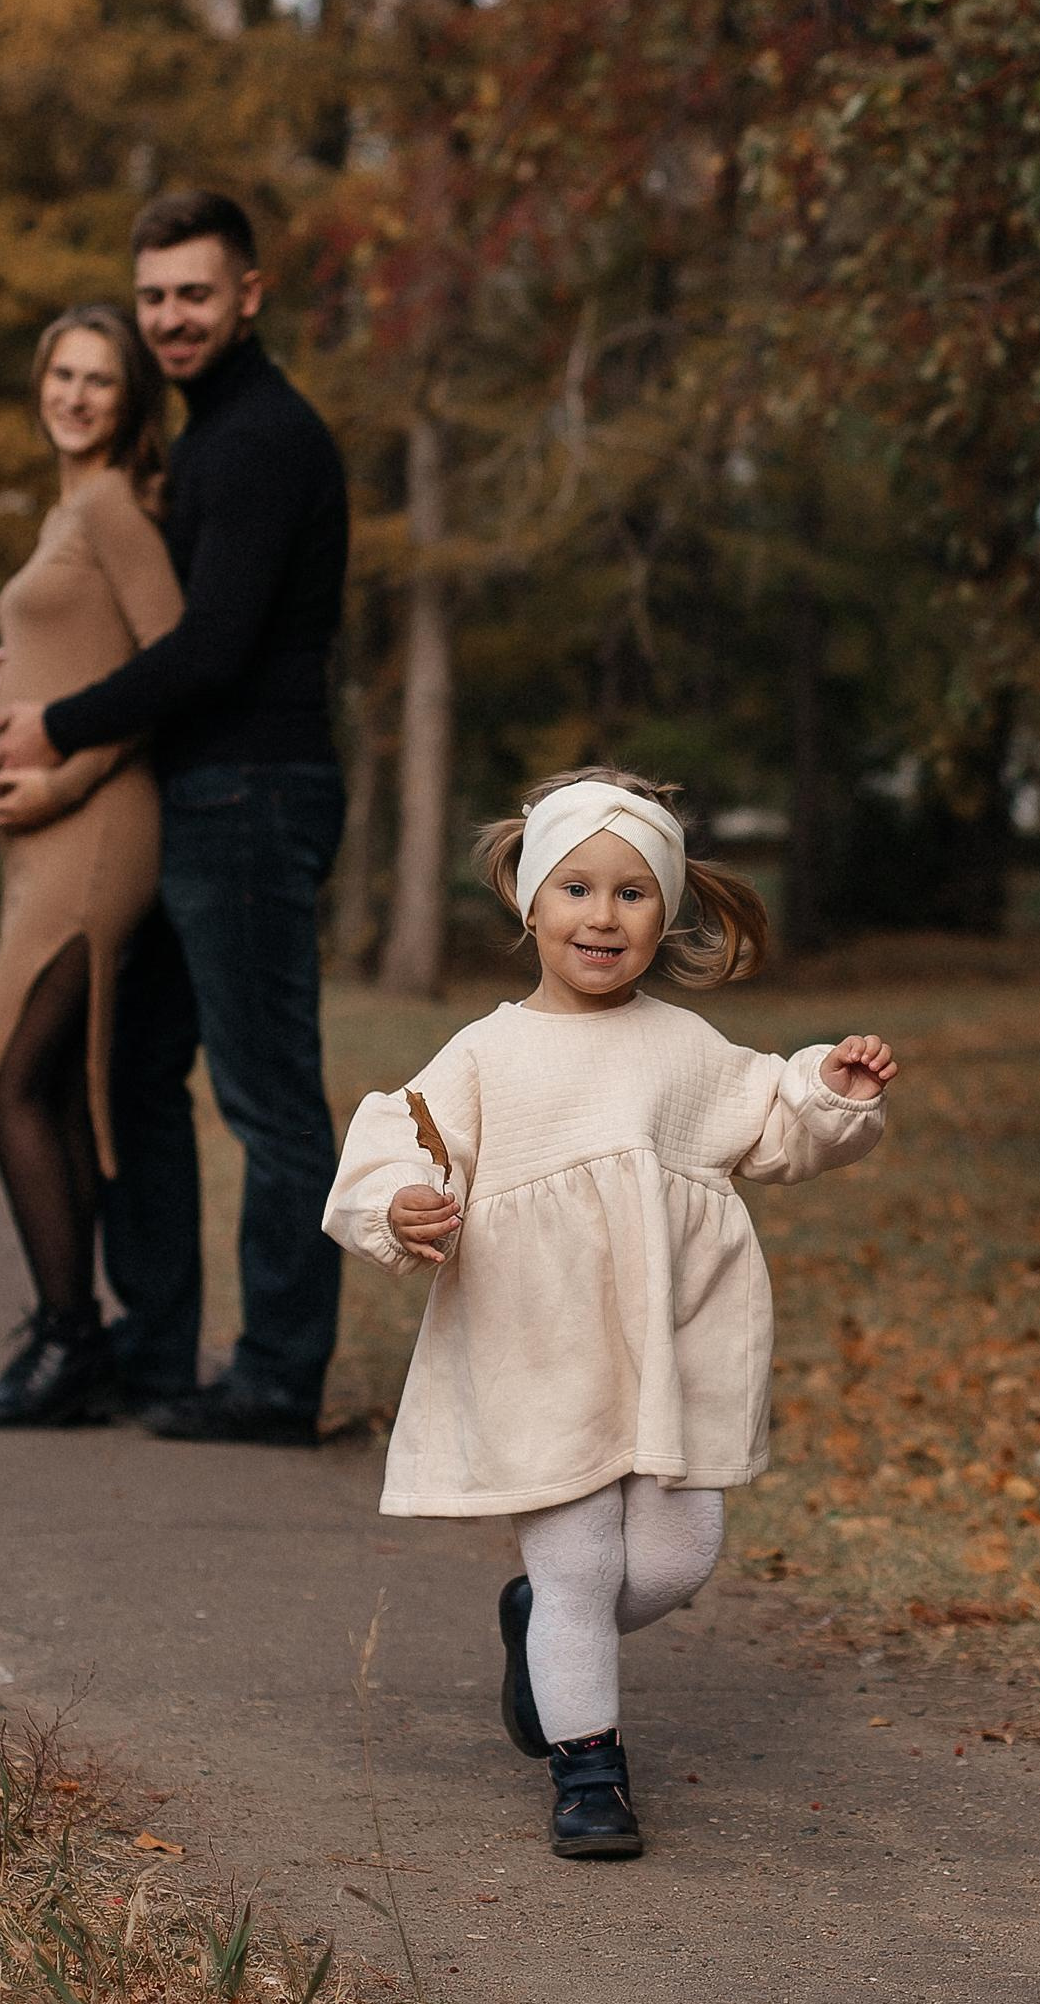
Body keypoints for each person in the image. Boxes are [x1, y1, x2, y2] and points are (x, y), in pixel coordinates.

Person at [322, 770, 896, 1861]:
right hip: (538, 1344)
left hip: (672, 1345)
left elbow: (777, 1123)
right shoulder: (489, 1051)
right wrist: (400, 1203)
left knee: (677, 1557)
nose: (603, 914)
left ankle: (538, 1622)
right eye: (576, 886)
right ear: (531, 903)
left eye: (634, 893)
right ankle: (589, 1767)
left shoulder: (684, 1047)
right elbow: (405, 1139)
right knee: (581, 1563)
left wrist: (835, 1090)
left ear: (668, 912)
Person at [0, 187, 350, 1444]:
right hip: (196, 794)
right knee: (134, 1072)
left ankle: (278, 1376)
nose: (173, 317)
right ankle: (155, 1342)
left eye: (196, 292)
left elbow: (210, 649)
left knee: (267, 1093)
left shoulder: (261, 441)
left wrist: (58, 726)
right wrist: (2, 672)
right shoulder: (206, 441)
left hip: (255, 794)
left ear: (249, 293)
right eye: (155, 296)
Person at [0, 305, 182, 1429]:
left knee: (15, 1082)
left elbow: (169, 667)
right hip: (46, 835)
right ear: (40, 383)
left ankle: (70, 1339)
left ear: (129, 399)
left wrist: (63, 780)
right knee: (48, 1086)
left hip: (95, 830)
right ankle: (73, 1332)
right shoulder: (65, 507)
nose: (77, 394)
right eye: (62, 373)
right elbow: (61, 640)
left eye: (100, 379)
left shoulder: (110, 503)